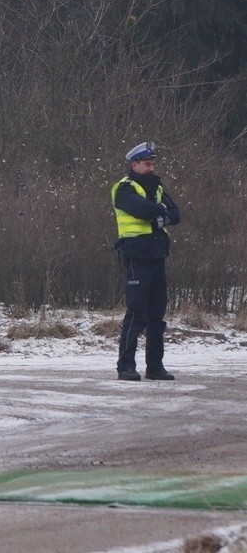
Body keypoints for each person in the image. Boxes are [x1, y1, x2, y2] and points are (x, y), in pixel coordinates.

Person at [111, 142, 181, 381]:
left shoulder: (158, 187)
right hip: (135, 255)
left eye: (153, 164)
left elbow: (176, 214)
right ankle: (125, 367)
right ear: (135, 164)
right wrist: (160, 212)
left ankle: (155, 367)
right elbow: (142, 210)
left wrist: (158, 216)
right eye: (147, 164)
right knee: (136, 313)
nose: (151, 168)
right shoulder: (124, 188)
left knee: (156, 315)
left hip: (157, 255)